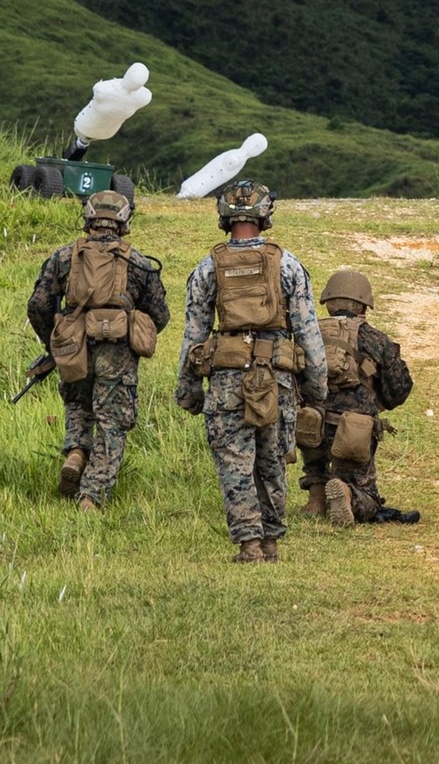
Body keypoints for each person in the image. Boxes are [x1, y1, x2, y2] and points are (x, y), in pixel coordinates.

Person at [175, 180, 327, 563]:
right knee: (273, 458)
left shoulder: (208, 267)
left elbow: (192, 335)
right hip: (276, 376)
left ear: (224, 217)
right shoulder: (288, 264)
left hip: (227, 379)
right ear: (266, 215)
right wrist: (316, 386)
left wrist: (187, 388)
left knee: (235, 462)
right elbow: (309, 334)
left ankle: (249, 544)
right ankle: (271, 540)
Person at [26, 189, 169, 510]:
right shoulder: (138, 262)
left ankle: (76, 453)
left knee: (78, 404)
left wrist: (54, 341)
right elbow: (160, 314)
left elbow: (38, 304)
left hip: (73, 346)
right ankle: (91, 496)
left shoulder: (63, 257)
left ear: (88, 218)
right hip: (117, 352)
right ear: (124, 221)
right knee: (112, 422)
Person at [298, 267, 417, 527]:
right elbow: (399, 388)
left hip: (309, 423)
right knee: (366, 493)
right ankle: (349, 494)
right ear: (364, 305)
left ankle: (316, 495)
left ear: (328, 303)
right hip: (353, 430)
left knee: (314, 455)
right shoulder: (374, 339)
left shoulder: (308, 333)